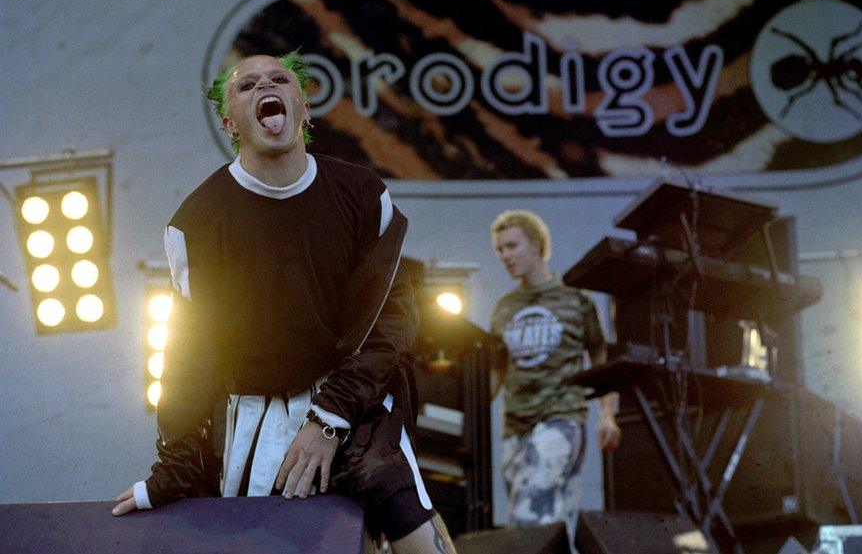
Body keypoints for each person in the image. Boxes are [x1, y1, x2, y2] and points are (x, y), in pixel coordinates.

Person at [112, 52, 455, 554]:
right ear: (231, 123)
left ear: (303, 106)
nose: (265, 86)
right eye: (247, 85)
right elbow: (192, 352)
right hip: (254, 411)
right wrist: (170, 473)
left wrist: (328, 419)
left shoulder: (362, 194)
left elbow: (392, 324)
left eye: (278, 79)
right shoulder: (199, 221)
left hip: (351, 403)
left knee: (417, 539)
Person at [489, 210, 620, 540]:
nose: (506, 256)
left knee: (528, 517)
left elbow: (600, 356)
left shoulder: (576, 299)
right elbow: (496, 371)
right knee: (547, 527)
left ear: (536, 244)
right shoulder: (504, 308)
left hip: (561, 419)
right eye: (500, 249)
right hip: (515, 428)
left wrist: (607, 415)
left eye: (512, 246)